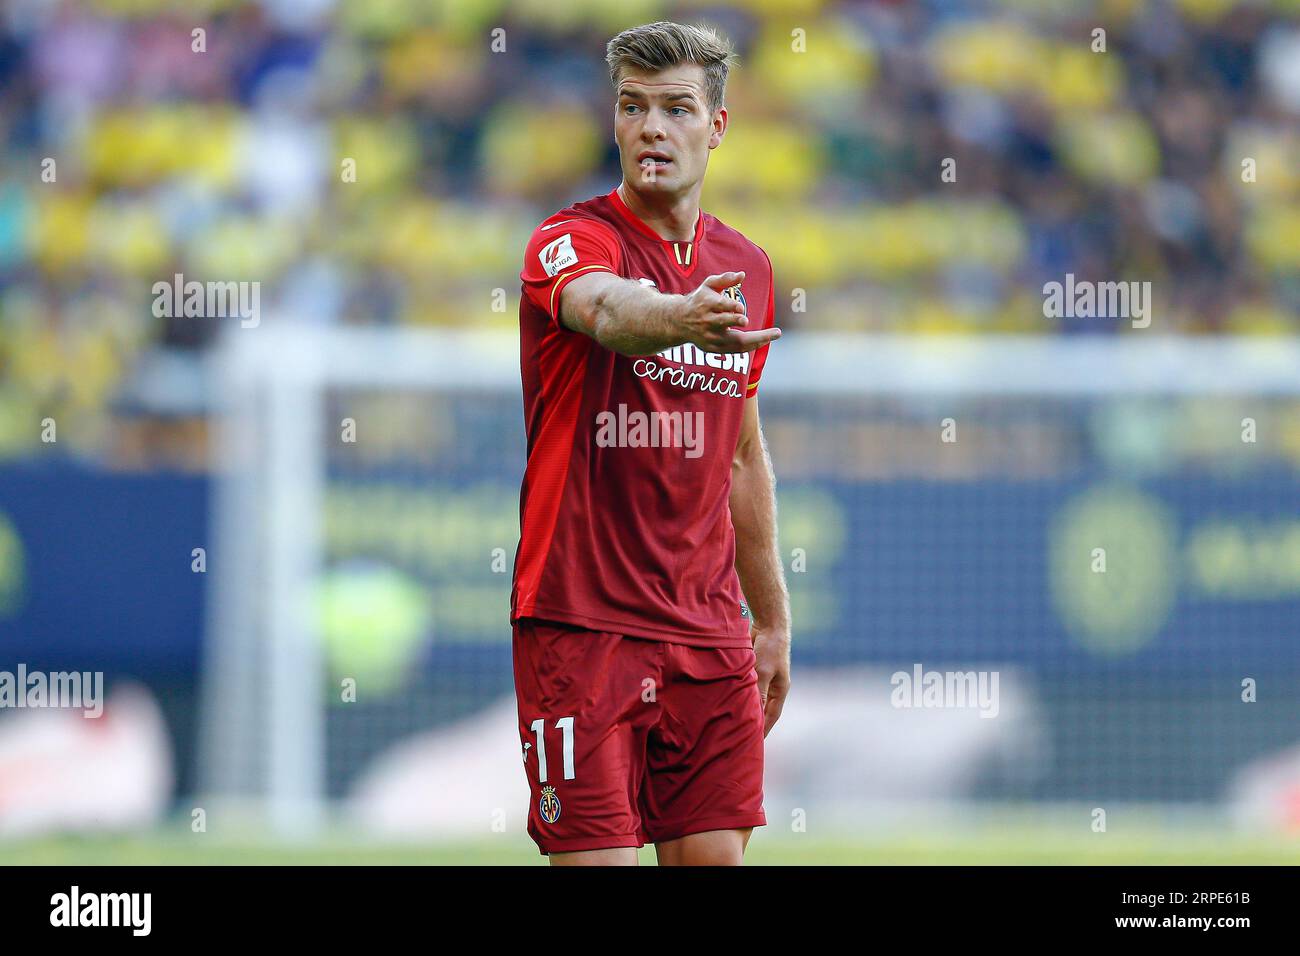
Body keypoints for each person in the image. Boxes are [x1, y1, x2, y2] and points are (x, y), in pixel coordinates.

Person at [513, 20, 791, 866]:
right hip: (580, 623)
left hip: (707, 633)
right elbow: (604, 312)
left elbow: (739, 453)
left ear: (717, 126)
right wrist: (682, 319)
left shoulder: (747, 264)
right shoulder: (571, 241)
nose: (651, 129)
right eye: (633, 107)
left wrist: (770, 620)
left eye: (676, 109)